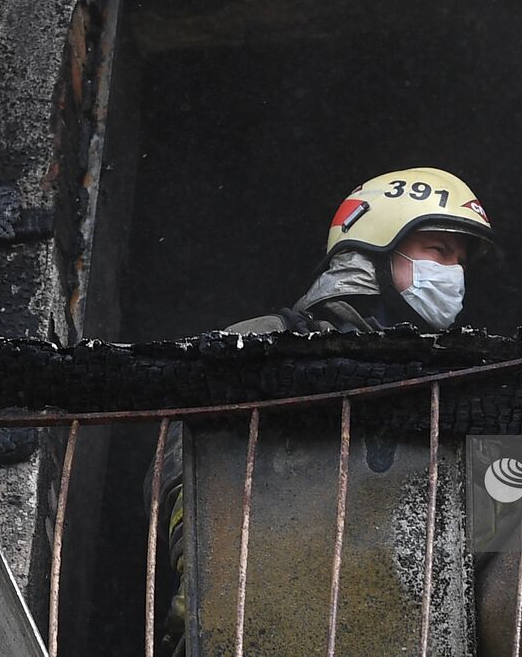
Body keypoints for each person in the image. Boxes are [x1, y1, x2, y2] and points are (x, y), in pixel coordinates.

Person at [151, 167, 494, 654]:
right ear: (375, 247)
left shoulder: (451, 379)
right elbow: (181, 464)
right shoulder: (266, 342)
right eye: (438, 251)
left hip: (400, 626)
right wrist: (207, 575)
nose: (453, 273)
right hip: (269, 614)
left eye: (460, 260)